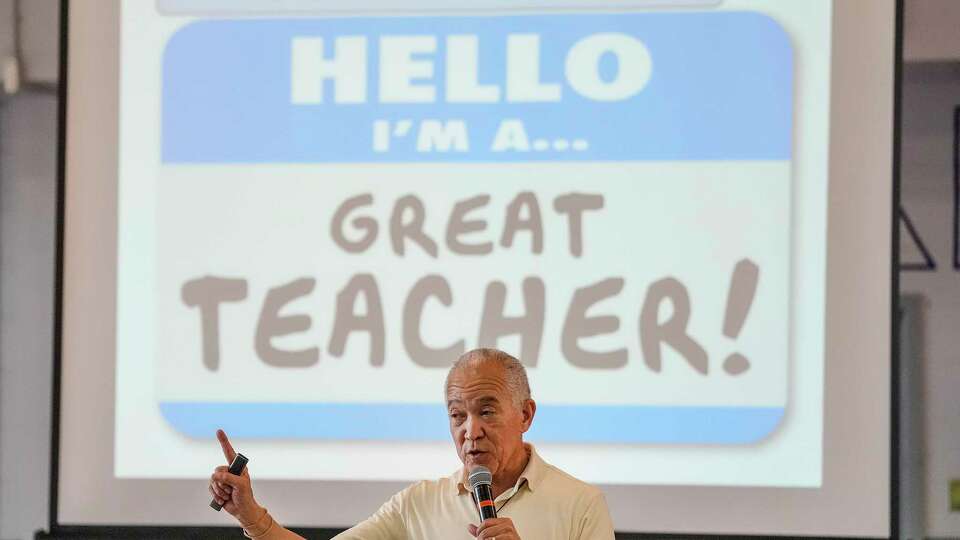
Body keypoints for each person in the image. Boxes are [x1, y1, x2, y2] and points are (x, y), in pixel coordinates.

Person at [209, 348, 615, 539]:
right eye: (457, 415)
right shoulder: (417, 505)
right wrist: (252, 517)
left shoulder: (580, 505)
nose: (470, 431)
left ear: (526, 415)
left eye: (487, 411)